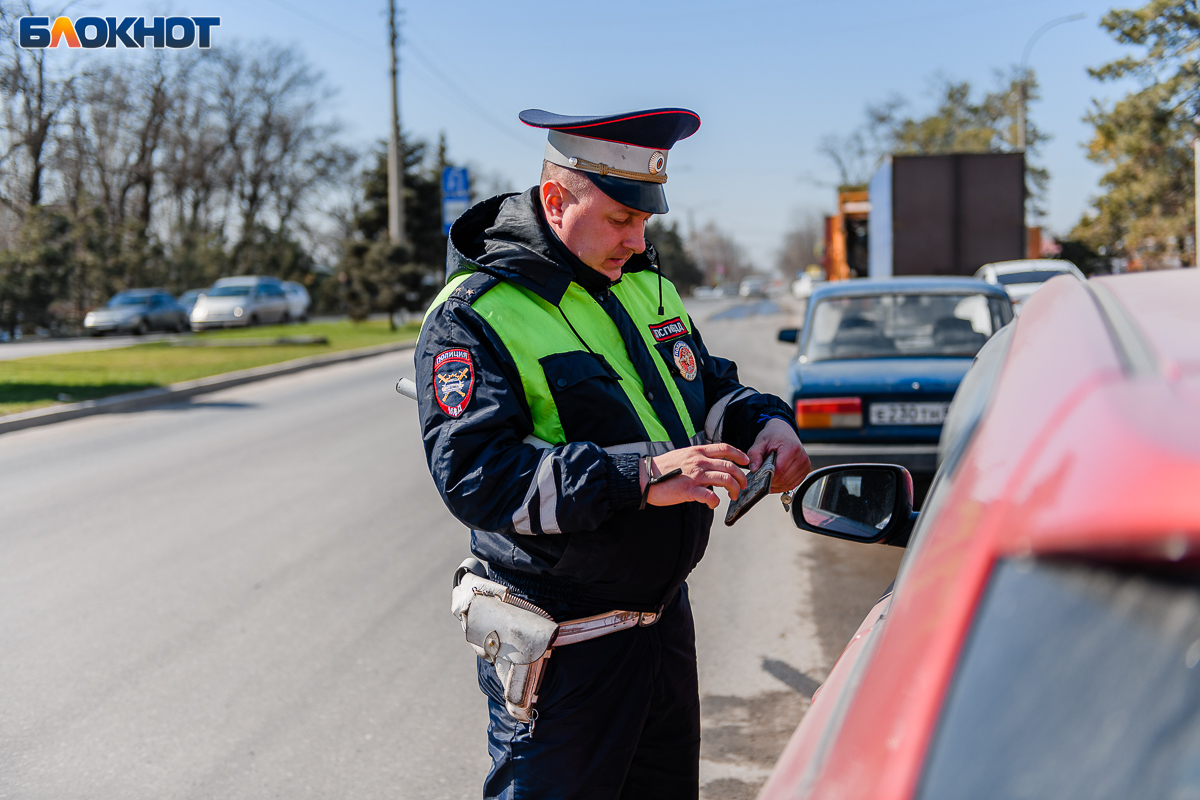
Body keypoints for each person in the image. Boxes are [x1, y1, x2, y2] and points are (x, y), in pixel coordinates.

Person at [416, 107, 811, 799]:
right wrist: (637, 477)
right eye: (621, 218)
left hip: (659, 627)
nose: (637, 238)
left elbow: (701, 384)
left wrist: (763, 424)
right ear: (555, 199)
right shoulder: (476, 312)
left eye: (646, 221)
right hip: (563, 646)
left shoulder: (642, 281)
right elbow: (476, 478)